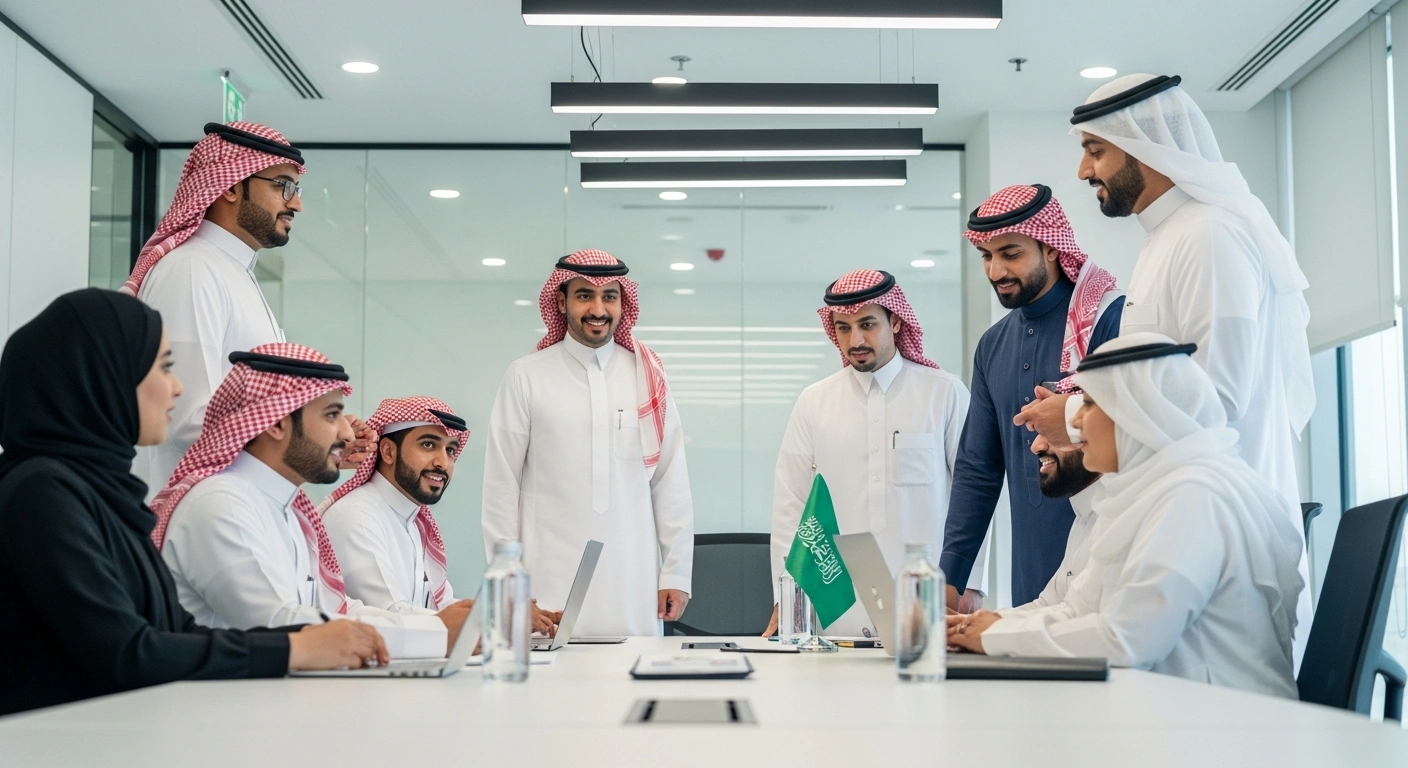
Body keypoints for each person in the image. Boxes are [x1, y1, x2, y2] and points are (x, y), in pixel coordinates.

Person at [0, 290, 390, 716]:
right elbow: (128, 652)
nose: (178, 387)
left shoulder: (106, 495)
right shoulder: (40, 492)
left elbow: (175, 632)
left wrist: (302, 644)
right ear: (105, 374)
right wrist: (294, 648)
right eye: (165, 367)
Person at [1036, 73, 1314, 657]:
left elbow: (1219, 398)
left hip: (1217, 540)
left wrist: (1079, 414)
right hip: (1181, 532)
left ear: (1143, 147)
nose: (1083, 171)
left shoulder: (1210, 235)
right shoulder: (1165, 239)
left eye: (1095, 151)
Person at [947, 333, 1305, 700]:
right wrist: (971, 629)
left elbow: (1128, 639)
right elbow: (1076, 611)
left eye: (1088, 405)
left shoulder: (1194, 494)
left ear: (1136, 413)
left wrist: (995, 636)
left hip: (1226, 724)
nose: (1076, 423)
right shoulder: (1141, 495)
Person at [153, 343, 466, 659]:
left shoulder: (287, 510)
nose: (348, 434)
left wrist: (442, 627)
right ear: (276, 422)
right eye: (332, 415)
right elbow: (281, 626)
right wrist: (435, 633)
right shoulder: (222, 505)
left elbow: (336, 610)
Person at [123, 121, 370, 497]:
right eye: (283, 186)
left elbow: (243, 413)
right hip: (194, 507)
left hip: (233, 499)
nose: (296, 204)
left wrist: (320, 434)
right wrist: (306, 434)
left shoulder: (232, 271)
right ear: (232, 186)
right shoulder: (192, 269)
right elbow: (186, 418)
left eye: (297, 189)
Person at [481, 250, 694, 636]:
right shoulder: (526, 376)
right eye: (584, 296)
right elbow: (500, 486)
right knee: (549, 673)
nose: (598, 309)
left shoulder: (647, 376)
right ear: (561, 302)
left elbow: (670, 481)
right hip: (545, 581)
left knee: (633, 668)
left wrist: (676, 572)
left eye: (609, 296)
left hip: (633, 581)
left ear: (623, 302)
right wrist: (507, 583)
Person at [764, 269, 978, 637]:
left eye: (867, 324)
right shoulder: (814, 402)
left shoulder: (944, 393)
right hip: (836, 604)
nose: (856, 339)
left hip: (931, 595)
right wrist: (788, 598)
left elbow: (974, 494)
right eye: (843, 328)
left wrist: (970, 583)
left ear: (895, 321)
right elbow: (790, 505)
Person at [944, 185, 1123, 608]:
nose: (996, 271)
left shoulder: (1110, 318)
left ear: (1052, 248)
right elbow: (978, 470)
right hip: (1030, 568)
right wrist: (950, 580)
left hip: (1110, 557)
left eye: (1010, 254)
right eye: (986, 256)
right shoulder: (993, 346)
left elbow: (1134, 436)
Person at [318, 397, 561, 635]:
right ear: (388, 451)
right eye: (428, 445)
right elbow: (392, 616)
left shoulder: (414, 521)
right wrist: (497, 618)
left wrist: (510, 613)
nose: (442, 463)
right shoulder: (357, 516)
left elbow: (442, 608)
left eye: (450, 450)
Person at [999, 432, 1103, 618]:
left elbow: (1080, 619)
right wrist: (966, 624)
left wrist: (978, 627)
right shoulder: (1083, 517)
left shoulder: (1117, 515)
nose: (1035, 446)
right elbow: (1050, 604)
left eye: (1051, 430)